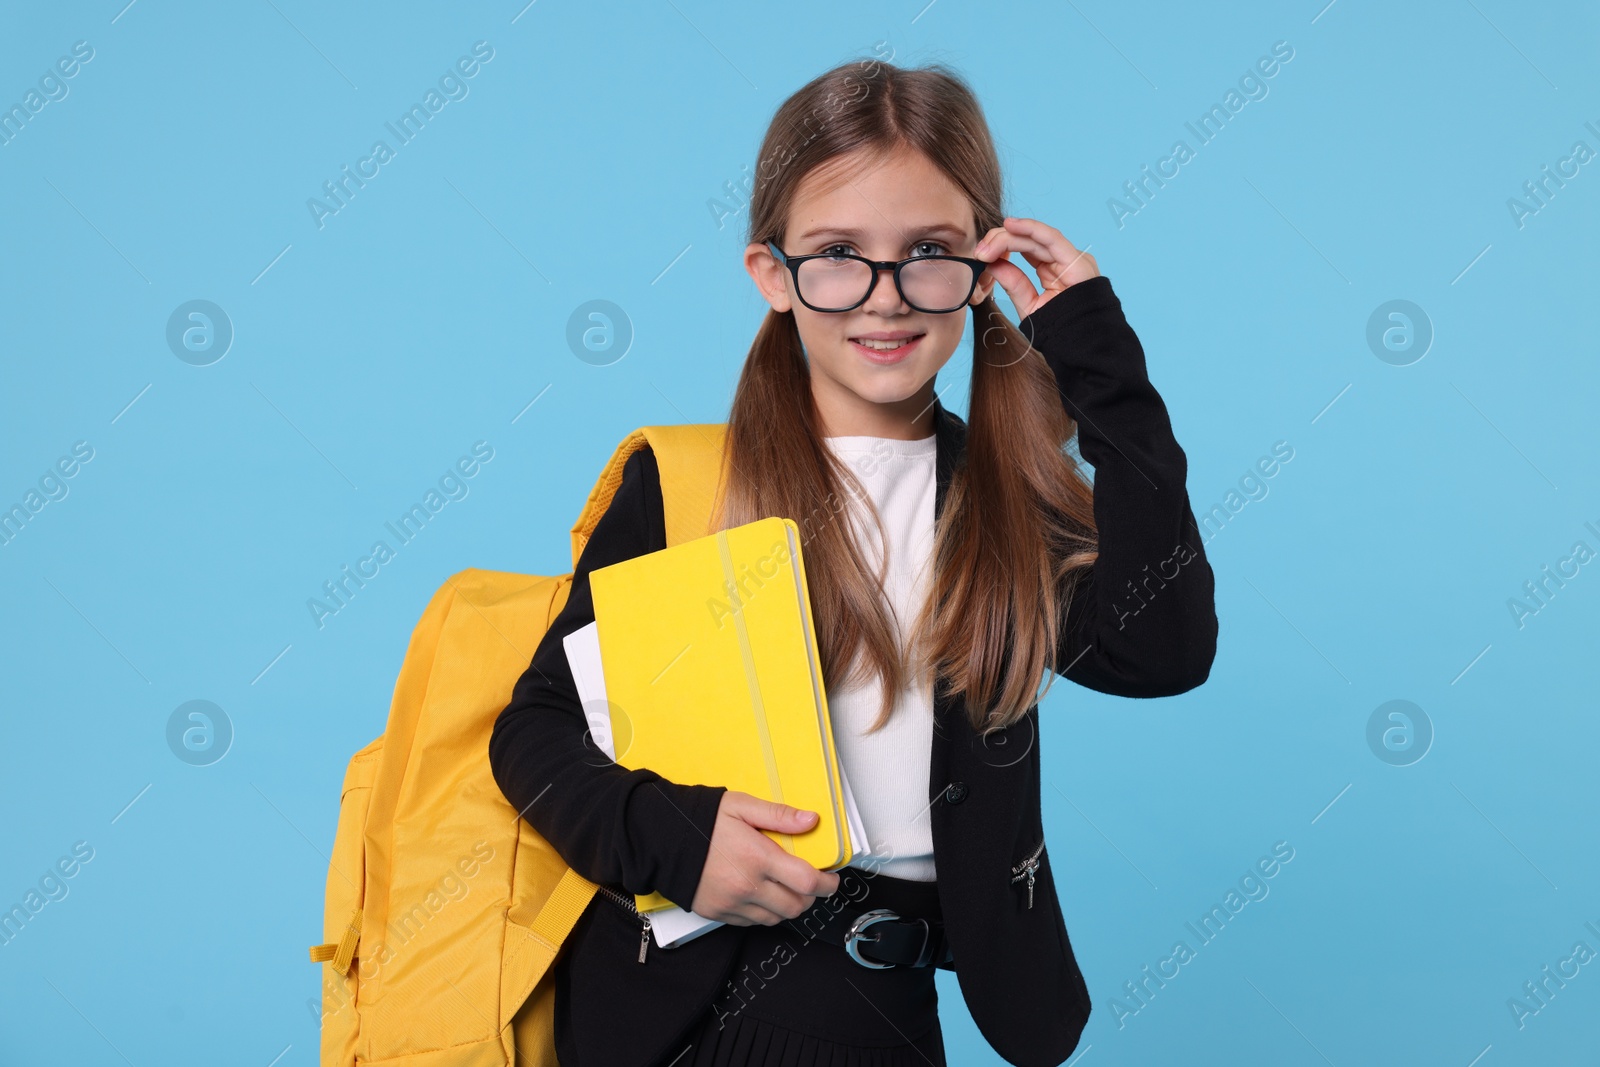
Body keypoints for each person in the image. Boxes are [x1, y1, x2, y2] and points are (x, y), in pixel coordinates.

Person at [489, 57, 1218, 1067]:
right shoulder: (685, 484)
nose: (885, 297)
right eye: (836, 252)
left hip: (884, 1012)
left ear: (985, 266)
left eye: (928, 251)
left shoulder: (1003, 502)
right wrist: (674, 838)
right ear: (771, 275)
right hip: (678, 1017)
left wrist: (1096, 355)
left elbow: (1164, 647)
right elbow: (535, 733)